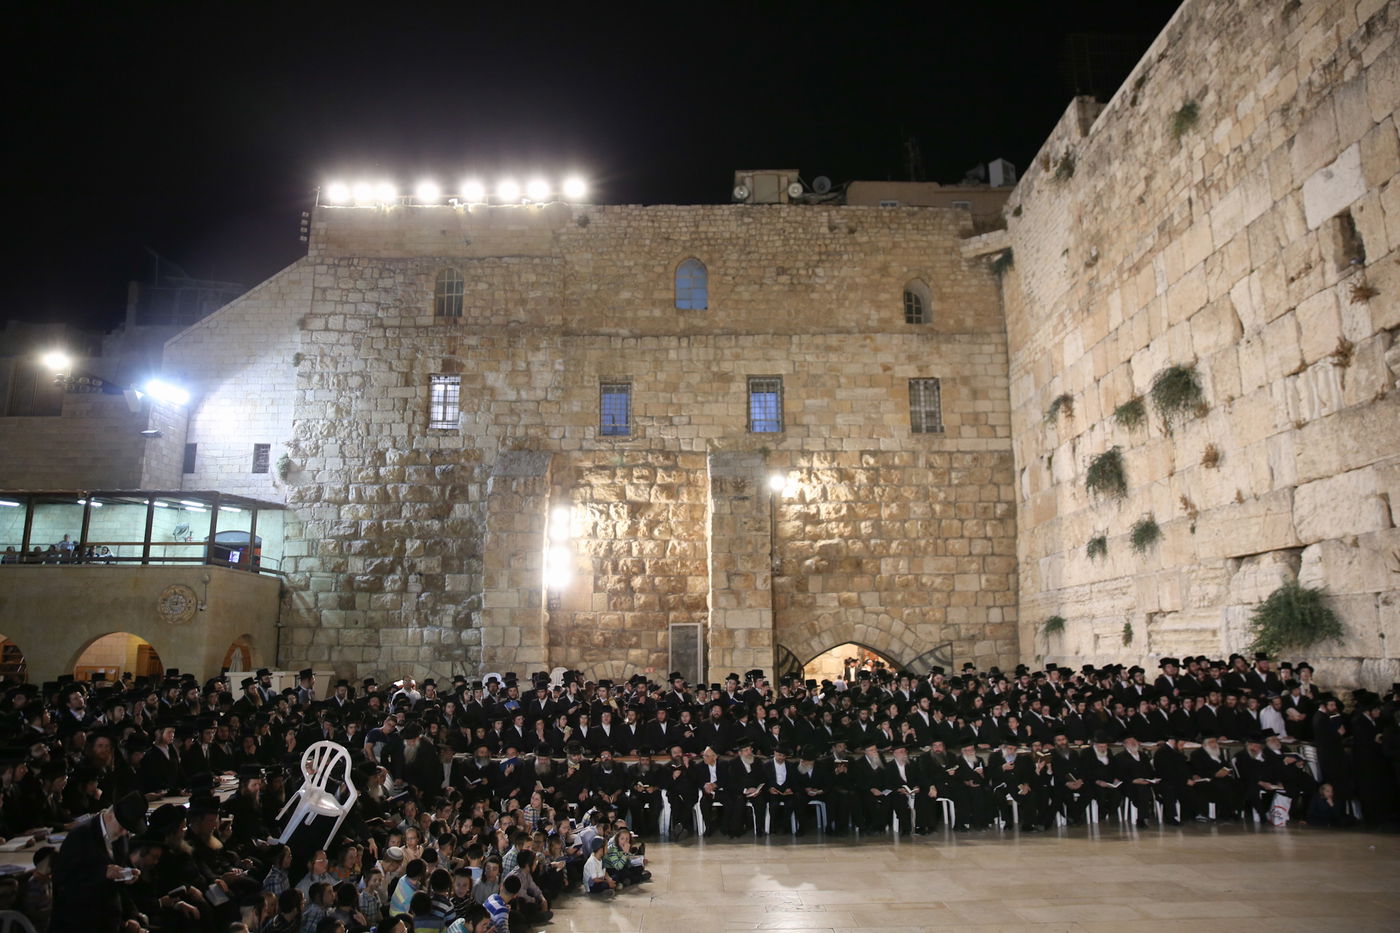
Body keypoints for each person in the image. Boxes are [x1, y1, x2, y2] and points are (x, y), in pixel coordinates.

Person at [50, 791, 148, 933]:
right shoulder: (80, 836)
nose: (124, 833)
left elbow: (119, 888)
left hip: (111, 920)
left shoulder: (121, 838)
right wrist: (103, 873)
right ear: (110, 816)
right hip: (79, 921)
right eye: (122, 827)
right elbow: (63, 882)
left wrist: (131, 913)